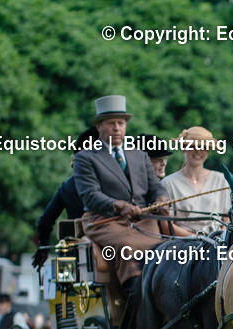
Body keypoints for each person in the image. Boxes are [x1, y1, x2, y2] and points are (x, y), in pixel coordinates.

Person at [72, 96, 188, 313]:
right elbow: (90, 195)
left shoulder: (139, 155)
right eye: (111, 123)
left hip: (144, 221)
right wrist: (119, 205)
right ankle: (136, 305)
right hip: (105, 222)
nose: (117, 128)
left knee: (168, 248)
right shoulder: (85, 157)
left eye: (121, 123)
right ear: (99, 126)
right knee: (128, 249)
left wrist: (162, 200)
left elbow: (156, 186)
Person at [34, 127, 99, 268]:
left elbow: (44, 222)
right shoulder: (110, 182)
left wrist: (43, 246)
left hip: (77, 259)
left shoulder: (67, 186)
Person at [161, 126, 230, 232]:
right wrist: (194, 238)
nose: (198, 151)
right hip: (182, 242)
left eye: (204, 148)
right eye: (193, 146)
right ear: (184, 148)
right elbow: (166, 224)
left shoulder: (221, 180)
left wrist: (221, 238)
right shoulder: (169, 183)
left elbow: (228, 219)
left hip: (216, 241)